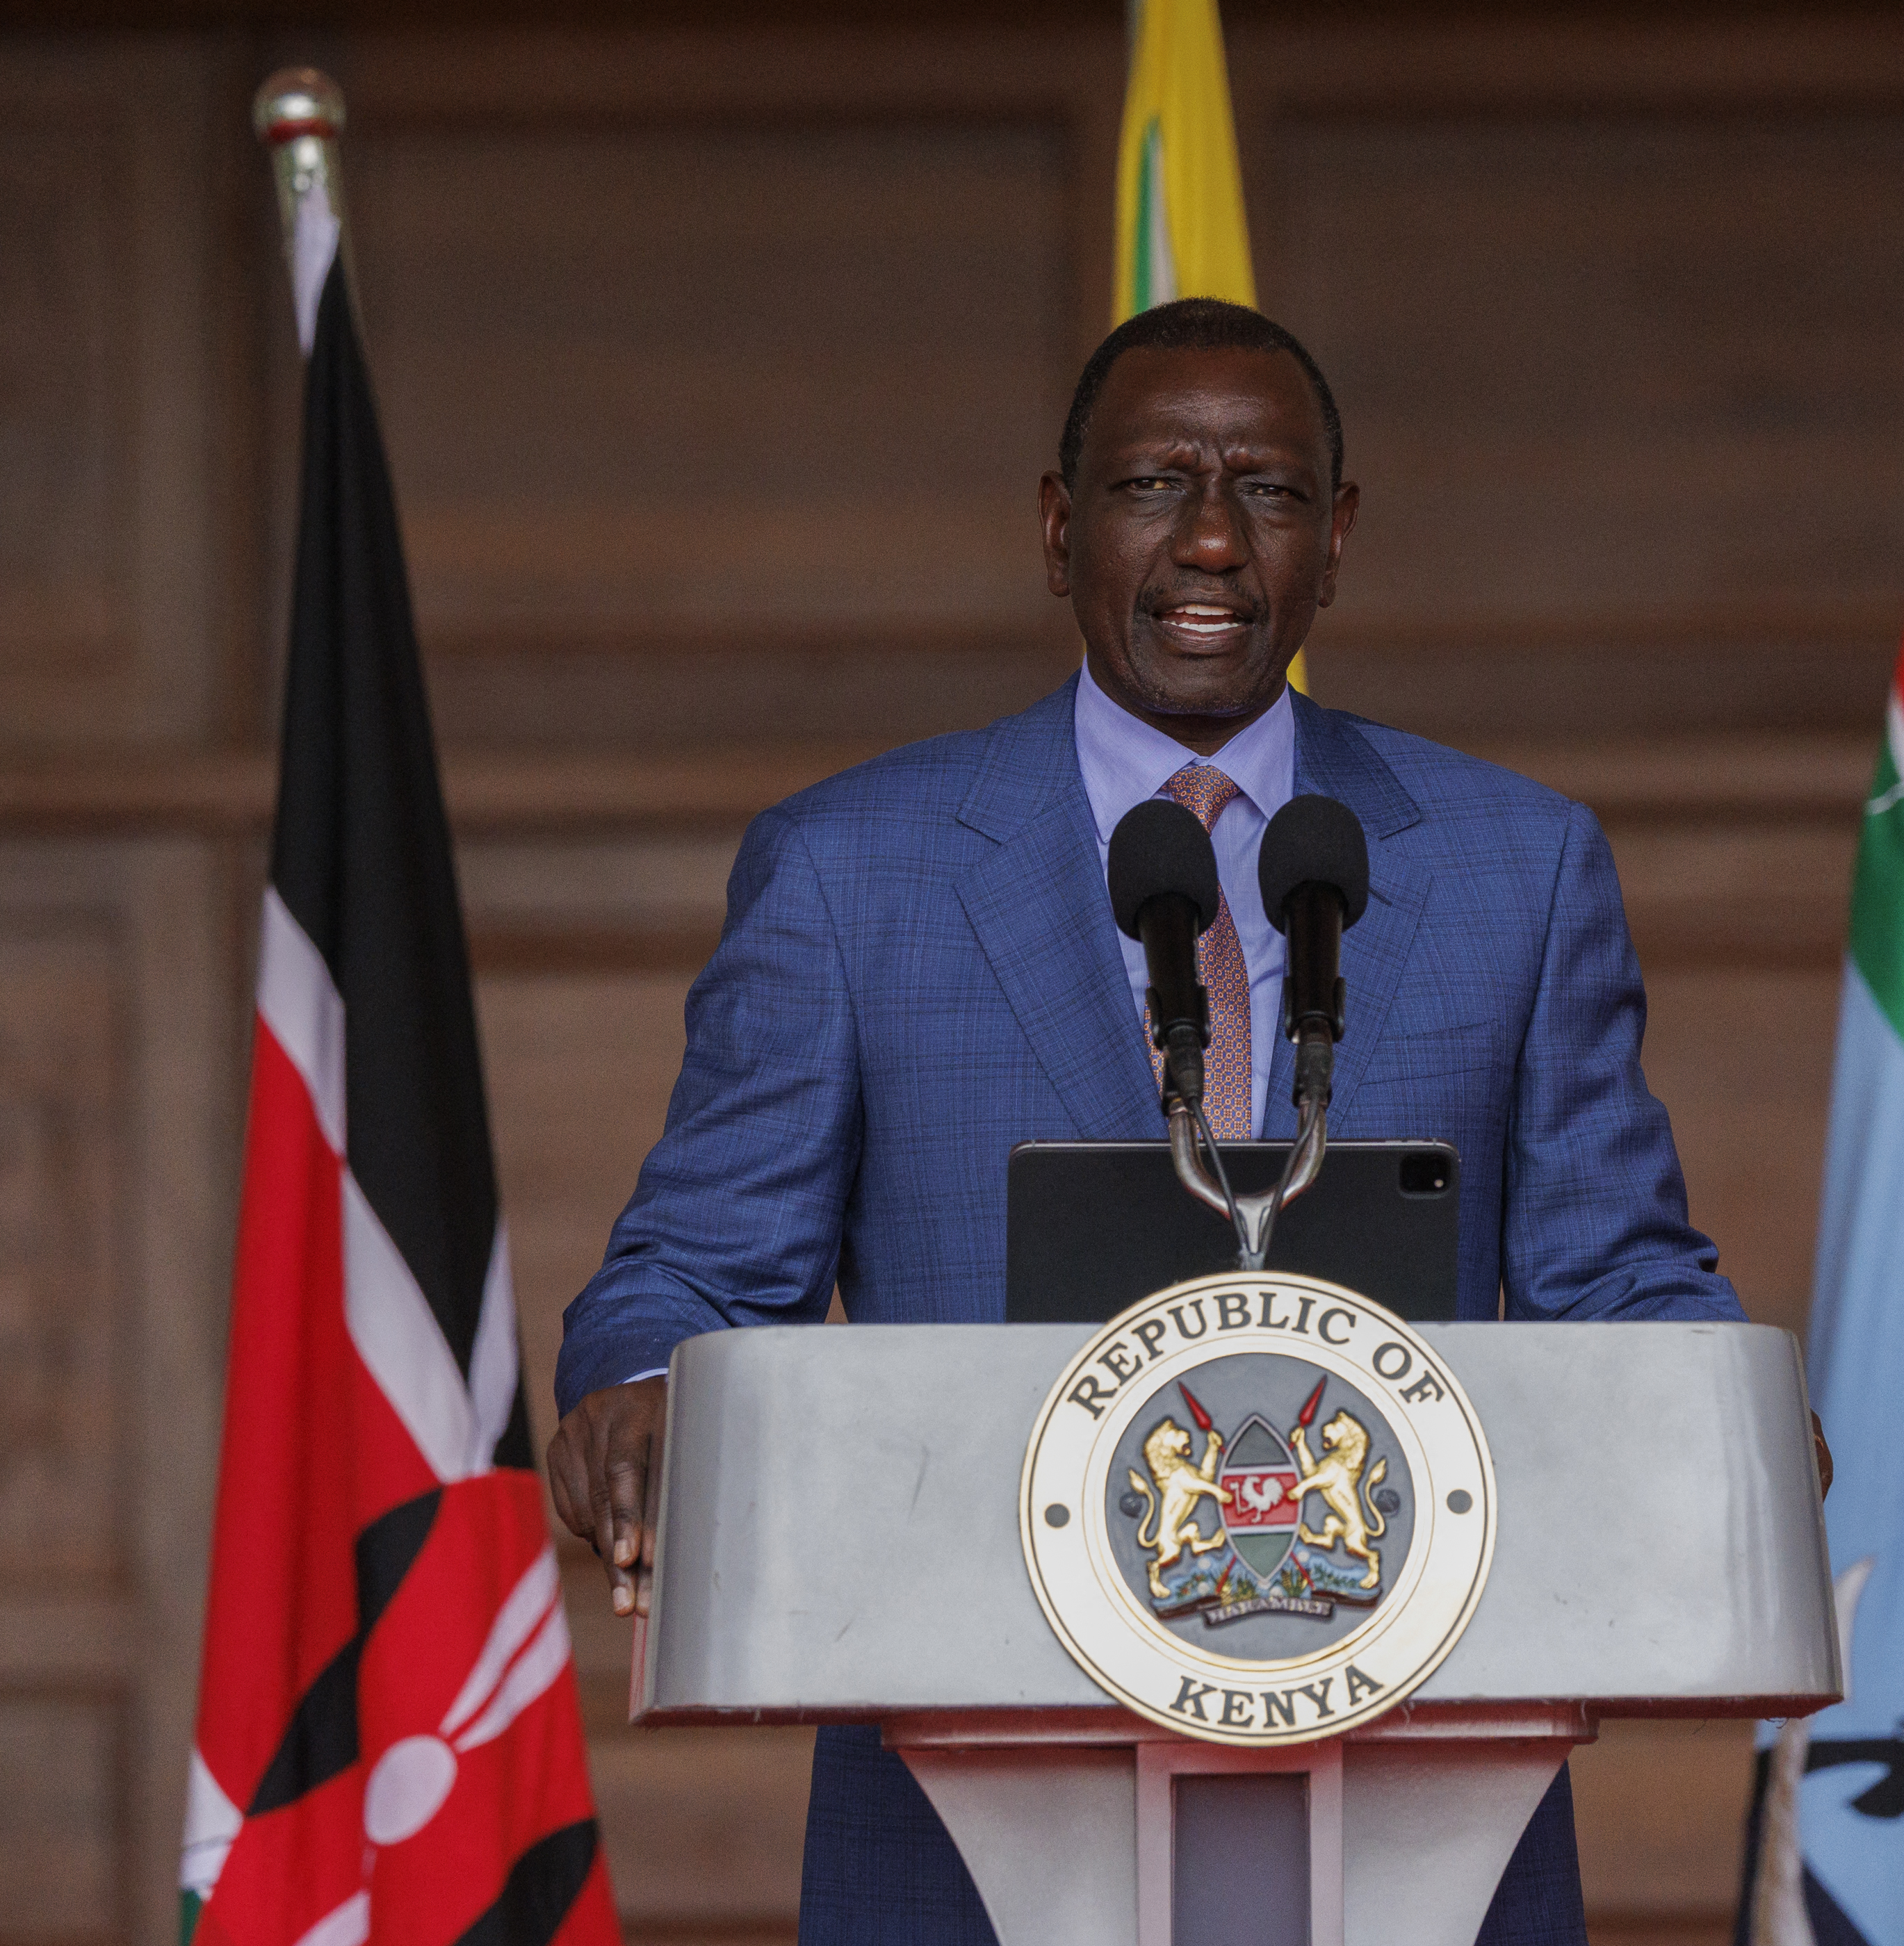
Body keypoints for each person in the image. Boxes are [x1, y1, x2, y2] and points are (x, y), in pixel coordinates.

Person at [548, 298, 1758, 1946]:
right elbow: (689, 1270)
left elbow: (1617, 1281)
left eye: (1264, 491)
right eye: (1150, 487)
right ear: (1059, 529)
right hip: (966, 1834)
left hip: (1423, 1802)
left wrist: (1729, 1411)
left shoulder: (1515, 868)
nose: (1208, 537)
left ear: (1334, 541)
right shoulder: (851, 873)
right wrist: (638, 1389)